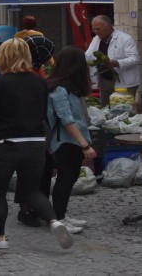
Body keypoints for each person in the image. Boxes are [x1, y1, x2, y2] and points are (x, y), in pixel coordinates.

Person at [0, 38, 72, 250]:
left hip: (5, 143)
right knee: (32, 190)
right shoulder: (40, 82)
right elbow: (43, 112)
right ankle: (54, 221)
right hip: (36, 142)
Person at [46, 46, 97, 234]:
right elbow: (66, 119)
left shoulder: (70, 87)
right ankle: (58, 218)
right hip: (65, 142)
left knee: (70, 177)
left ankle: (62, 214)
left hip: (73, 140)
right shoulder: (59, 89)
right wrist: (85, 145)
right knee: (65, 179)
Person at [85, 15, 140, 107]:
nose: (96, 32)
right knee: (106, 109)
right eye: (94, 29)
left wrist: (117, 63)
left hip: (124, 82)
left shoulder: (125, 39)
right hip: (105, 81)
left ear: (109, 26)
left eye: (98, 29)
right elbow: (88, 56)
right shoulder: (96, 40)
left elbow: (135, 58)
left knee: (123, 110)